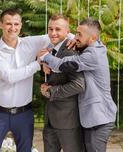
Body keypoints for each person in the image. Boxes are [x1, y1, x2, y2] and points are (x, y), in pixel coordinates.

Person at [38, 18, 117, 152]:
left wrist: (45, 56)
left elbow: (63, 64)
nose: (75, 37)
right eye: (76, 33)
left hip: (99, 119)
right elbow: (64, 41)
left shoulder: (93, 54)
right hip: (91, 118)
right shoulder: (91, 47)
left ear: (92, 38)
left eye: (79, 34)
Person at [0, 9, 54, 152]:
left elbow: (58, 34)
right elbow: (10, 77)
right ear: (0, 25)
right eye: (8, 24)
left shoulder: (31, 43)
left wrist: (87, 41)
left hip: (24, 114)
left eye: (16, 24)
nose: (13, 28)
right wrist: (37, 64)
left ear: (21, 25)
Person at [39, 14, 85, 152]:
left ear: (67, 31)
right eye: (50, 29)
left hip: (68, 121)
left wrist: (51, 91)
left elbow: (79, 85)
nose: (53, 33)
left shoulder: (70, 53)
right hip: (51, 119)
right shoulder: (51, 49)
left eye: (58, 29)